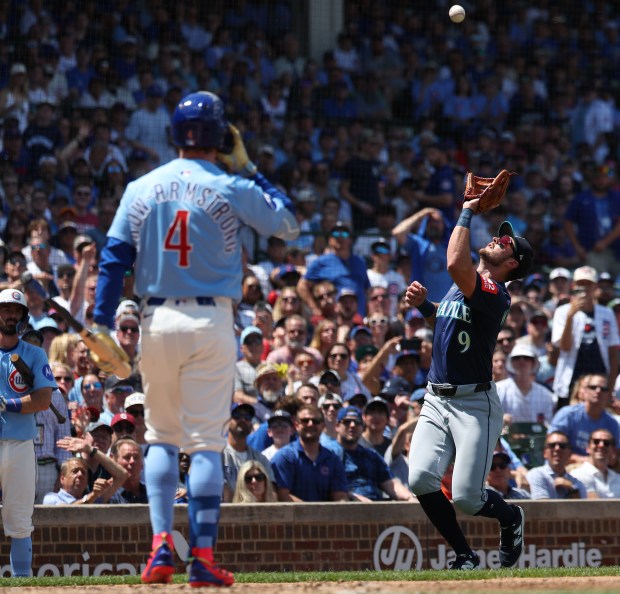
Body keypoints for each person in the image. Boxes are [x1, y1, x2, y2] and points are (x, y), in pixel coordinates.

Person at [93, 90, 299, 587]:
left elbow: (113, 258)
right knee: (206, 444)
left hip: (158, 319)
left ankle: (161, 545)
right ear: (221, 136)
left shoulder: (142, 186)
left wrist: (100, 324)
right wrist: (250, 169)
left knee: (161, 437)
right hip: (211, 322)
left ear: (173, 135)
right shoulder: (232, 184)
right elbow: (289, 225)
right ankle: (202, 557)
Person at [405, 197, 534, 570]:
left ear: (512, 264)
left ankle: (510, 518)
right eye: (500, 235)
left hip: (474, 405)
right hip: (436, 398)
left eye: (506, 243)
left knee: (466, 498)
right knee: (420, 480)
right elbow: (449, 324)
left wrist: (467, 210)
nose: (498, 238)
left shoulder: (495, 293)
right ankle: (465, 555)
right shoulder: (465, 288)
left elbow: (453, 262)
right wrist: (427, 308)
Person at [0, 289, 56, 576]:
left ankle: (22, 583)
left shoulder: (34, 353)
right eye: (5, 309)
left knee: (19, 519)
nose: (10, 315)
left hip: (21, 442)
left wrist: (6, 404)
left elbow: (43, 399)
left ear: (23, 317)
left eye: (16, 311)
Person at [551, 266, 619, 407]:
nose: (585, 288)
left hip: (599, 382)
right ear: (573, 286)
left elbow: (613, 354)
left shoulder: (607, 313)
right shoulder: (563, 311)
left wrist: (610, 388)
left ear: (595, 287)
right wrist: (570, 317)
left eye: (589, 284)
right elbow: (564, 347)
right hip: (571, 380)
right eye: (581, 284)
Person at [328, 407, 415, 502]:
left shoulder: (371, 455)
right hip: (345, 508)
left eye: (357, 422)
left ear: (362, 427)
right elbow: (326, 486)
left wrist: (409, 497)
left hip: (375, 508)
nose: (352, 425)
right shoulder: (328, 454)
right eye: (347, 421)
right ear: (337, 426)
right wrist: (355, 498)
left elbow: (391, 484)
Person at [271, 404, 348, 502]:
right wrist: (312, 513)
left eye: (315, 421)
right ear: (296, 425)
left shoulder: (333, 459)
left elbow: (340, 496)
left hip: (327, 516)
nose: (310, 424)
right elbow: (282, 496)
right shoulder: (284, 457)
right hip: (293, 516)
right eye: (305, 421)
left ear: (323, 426)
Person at [547, 372, 620, 462]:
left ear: (609, 394)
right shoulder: (567, 415)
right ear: (584, 391)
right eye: (593, 387)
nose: (598, 391)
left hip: (599, 470)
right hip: (567, 468)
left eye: (603, 389)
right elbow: (552, 448)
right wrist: (587, 461)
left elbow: (614, 456)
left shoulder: (612, 423)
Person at [222, 403, 274, 503]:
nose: (243, 420)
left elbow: (271, 492)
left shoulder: (261, 459)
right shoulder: (218, 454)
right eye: (237, 416)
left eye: (247, 417)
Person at [496, 343, 556, 424]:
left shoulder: (546, 395)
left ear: (533, 362)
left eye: (526, 358)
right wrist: (500, 419)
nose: (521, 361)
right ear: (512, 362)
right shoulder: (498, 389)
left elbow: (549, 424)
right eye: (517, 358)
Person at [526, 431, 587, 500]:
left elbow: (581, 509)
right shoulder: (536, 474)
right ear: (545, 453)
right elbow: (542, 508)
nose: (557, 449)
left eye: (562, 446)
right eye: (552, 445)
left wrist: (572, 489)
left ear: (569, 454)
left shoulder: (577, 483)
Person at [570, 429, 620, 498]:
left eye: (606, 443)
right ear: (588, 448)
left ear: (612, 450)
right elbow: (594, 505)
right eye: (596, 441)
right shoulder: (577, 475)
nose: (601, 445)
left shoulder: (618, 478)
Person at [108, 437, 148, 504]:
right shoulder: (108, 495)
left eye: (136, 457)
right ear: (113, 461)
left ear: (142, 464)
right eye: (127, 457)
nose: (132, 461)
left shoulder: (153, 493)